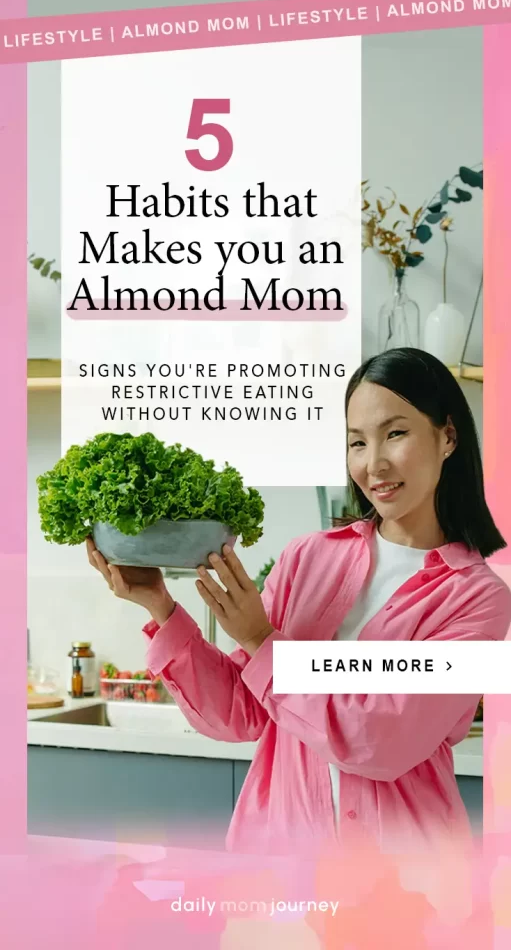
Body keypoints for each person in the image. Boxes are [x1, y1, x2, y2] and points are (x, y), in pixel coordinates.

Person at [87, 348, 511, 857]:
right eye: (357, 442)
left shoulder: (477, 598)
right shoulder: (307, 560)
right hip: (281, 867)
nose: (372, 463)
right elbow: (244, 713)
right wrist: (161, 608)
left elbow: (381, 740)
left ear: (447, 436)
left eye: (395, 433)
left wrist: (261, 641)